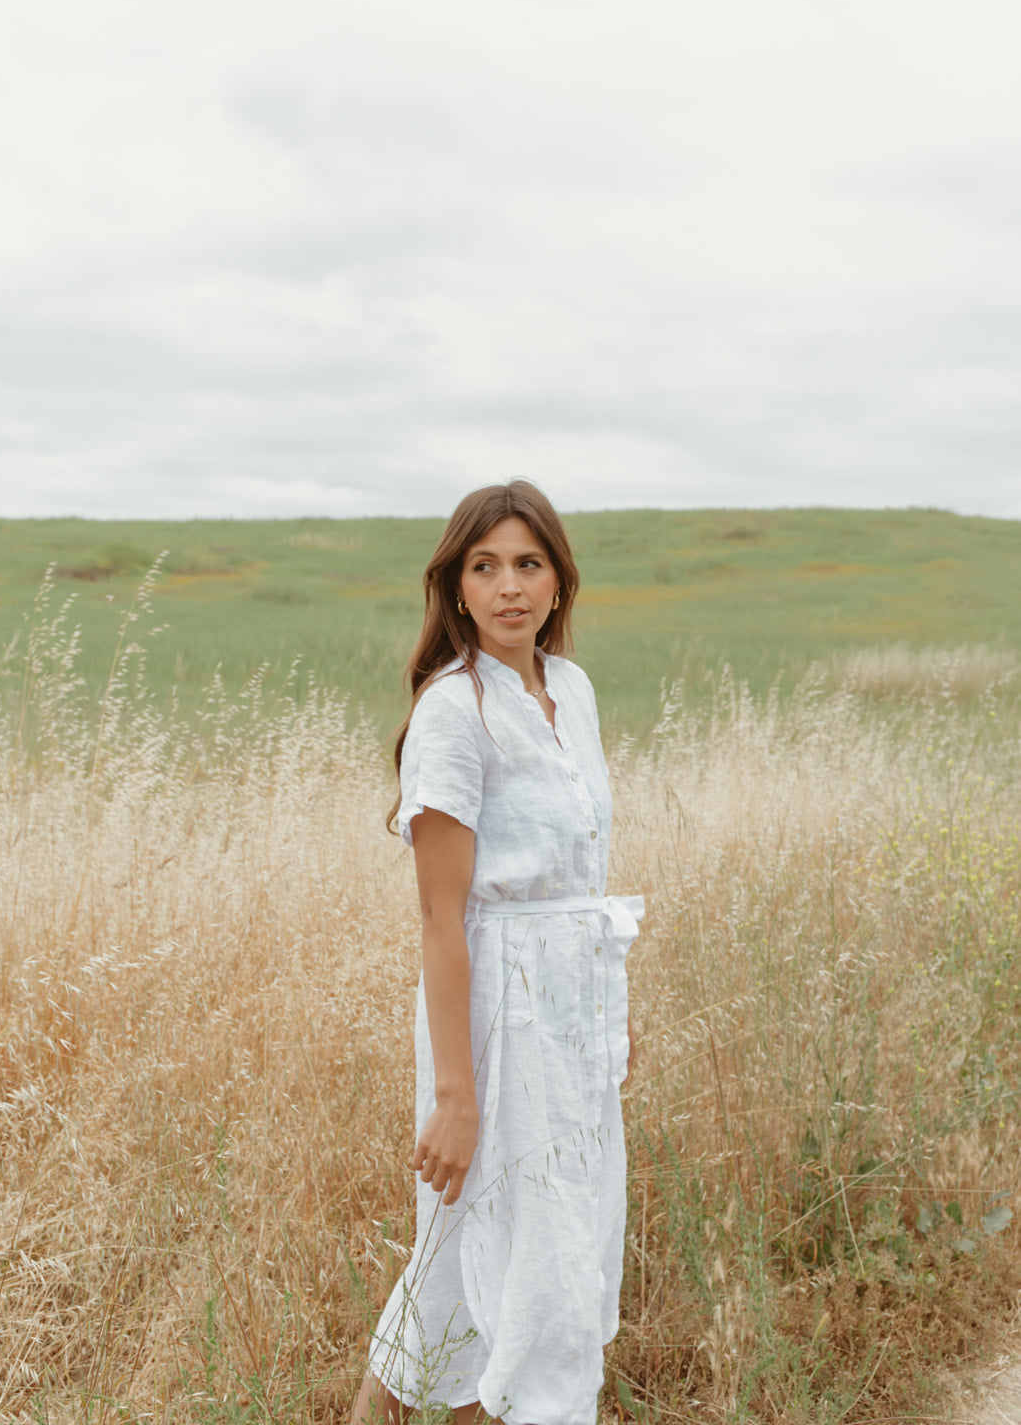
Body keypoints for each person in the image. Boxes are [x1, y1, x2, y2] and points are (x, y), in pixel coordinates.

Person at [351, 480, 642, 1425]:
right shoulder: (452, 711)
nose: (508, 586)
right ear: (456, 588)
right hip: (497, 1022)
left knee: (507, 1275)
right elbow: (442, 921)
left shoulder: (570, 690)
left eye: (528, 563)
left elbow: (583, 874)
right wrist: (454, 1093)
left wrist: (605, 1029)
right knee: (514, 1270)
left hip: (573, 1016)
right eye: (485, 567)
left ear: (558, 582)